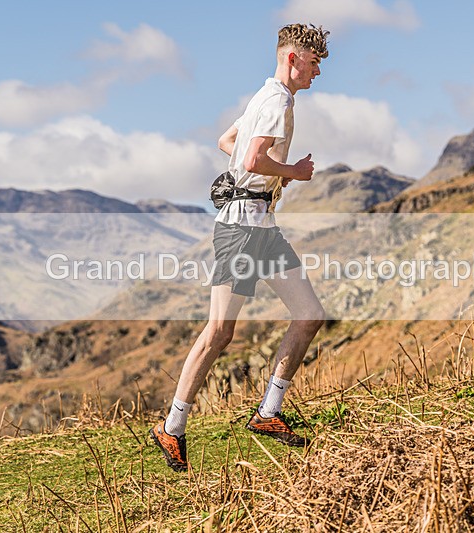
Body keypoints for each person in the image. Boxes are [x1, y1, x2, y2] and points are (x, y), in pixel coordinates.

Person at [150, 23, 330, 472]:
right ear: (292, 58)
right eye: (313, 62)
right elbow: (250, 159)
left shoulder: (263, 97)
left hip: (262, 225)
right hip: (240, 229)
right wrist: (293, 172)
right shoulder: (276, 101)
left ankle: (268, 413)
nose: (317, 72)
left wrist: (255, 174)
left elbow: (226, 143)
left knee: (309, 316)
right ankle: (170, 428)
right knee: (219, 332)